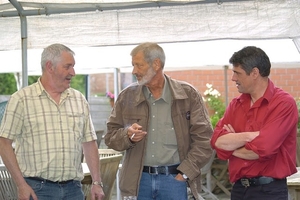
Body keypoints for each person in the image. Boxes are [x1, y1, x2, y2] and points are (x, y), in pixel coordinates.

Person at [105, 42, 213, 200]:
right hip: (138, 182)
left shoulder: (188, 95)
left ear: (156, 64)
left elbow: (205, 139)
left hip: (175, 180)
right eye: (133, 65)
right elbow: (110, 137)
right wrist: (127, 136)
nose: (134, 71)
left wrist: (184, 173)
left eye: (138, 65)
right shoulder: (126, 96)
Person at [0, 44, 105, 200]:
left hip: (74, 189)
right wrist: (21, 184)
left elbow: (89, 142)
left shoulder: (79, 99)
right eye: (68, 67)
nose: (73, 72)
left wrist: (97, 182)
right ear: (50, 66)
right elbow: (3, 142)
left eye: (73, 67)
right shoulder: (22, 99)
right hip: (37, 190)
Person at [211, 46, 298, 200]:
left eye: (237, 73)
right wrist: (250, 136)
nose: (233, 78)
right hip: (238, 190)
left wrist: (233, 145)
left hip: (270, 191)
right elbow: (216, 141)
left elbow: (263, 149)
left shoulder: (283, 104)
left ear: (255, 73)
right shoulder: (235, 104)